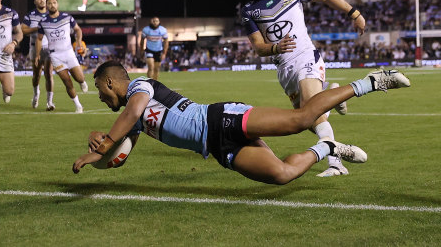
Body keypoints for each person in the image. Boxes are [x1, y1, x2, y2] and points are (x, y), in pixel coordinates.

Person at [72, 61, 410, 184]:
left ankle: (372, 82)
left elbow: (134, 111)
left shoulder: (139, 86)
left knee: (301, 118)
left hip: (221, 119)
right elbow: (117, 157)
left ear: (111, 83)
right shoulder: (128, 120)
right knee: (281, 175)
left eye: (101, 90)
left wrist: (104, 140)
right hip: (216, 148)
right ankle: (328, 147)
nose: (101, 97)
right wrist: (95, 158)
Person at [241, 0, 367, 177]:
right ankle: (331, 93)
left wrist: (354, 13)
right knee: (307, 119)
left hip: (305, 56)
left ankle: (336, 163)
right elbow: (259, 47)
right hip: (284, 69)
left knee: (313, 110)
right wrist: (276, 48)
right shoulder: (250, 10)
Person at [34, 0, 88, 112]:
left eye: (54, 3)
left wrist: (78, 42)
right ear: (47, 6)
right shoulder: (43, 22)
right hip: (55, 56)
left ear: (57, 5)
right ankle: (78, 105)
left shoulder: (67, 17)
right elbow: (39, 39)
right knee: (67, 82)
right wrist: (38, 54)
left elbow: (78, 29)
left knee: (79, 77)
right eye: (49, 3)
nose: (52, 5)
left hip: (68, 52)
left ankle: (82, 82)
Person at [21, 0, 54, 109]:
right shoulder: (30, 15)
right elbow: (23, 30)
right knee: (36, 75)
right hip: (35, 47)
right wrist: (37, 28)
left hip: (49, 48)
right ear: (35, 1)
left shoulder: (51, 14)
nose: (42, 0)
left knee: (49, 73)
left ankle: (49, 102)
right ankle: (36, 94)